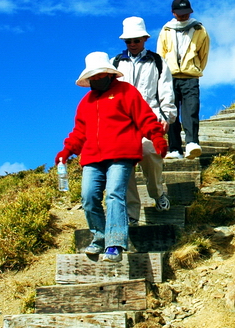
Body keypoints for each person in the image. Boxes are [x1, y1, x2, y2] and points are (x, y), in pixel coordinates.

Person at [56, 52, 168, 263]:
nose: (97, 79)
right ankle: (99, 236)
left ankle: (115, 244)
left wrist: (156, 138)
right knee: (88, 197)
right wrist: (66, 151)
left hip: (122, 154)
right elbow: (79, 133)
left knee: (115, 194)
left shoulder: (127, 92)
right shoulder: (85, 102)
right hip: (91, 158)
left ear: (109, 73)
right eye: (93, 77)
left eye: (100, 75)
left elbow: (145, 118)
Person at [112, 16, 176, 222]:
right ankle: (131, 211)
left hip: (150, 117)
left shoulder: (157, 61)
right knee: (124, 165)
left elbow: (166, 89)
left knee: (151, 153)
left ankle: (157, 193)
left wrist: (167, 115)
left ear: (145, 39)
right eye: (128, 41)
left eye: (136, 40)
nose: (132, 44)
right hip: (122, 123)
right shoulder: (115, 63)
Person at [157, 0, 210, 159]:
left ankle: (192, 143)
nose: (183, 16)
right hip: (170, 77)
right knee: (170, 112)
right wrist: (162, 75)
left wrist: (195, 68)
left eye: (186, 12)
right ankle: (174, 149)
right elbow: (161, 53)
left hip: (190, 76)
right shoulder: (166, 30)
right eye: (180, 13)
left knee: (191, 109)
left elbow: (204, 54)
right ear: (173, 13)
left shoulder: (200, 30)